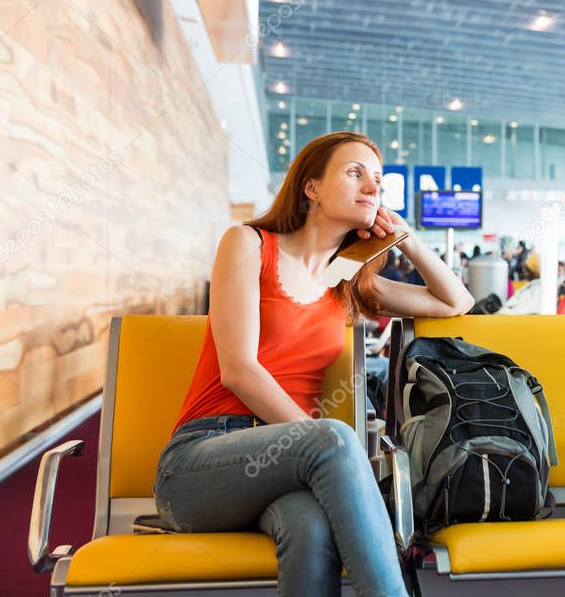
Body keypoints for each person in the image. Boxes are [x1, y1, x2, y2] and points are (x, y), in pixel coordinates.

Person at [154, 132, 473, 597]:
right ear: (312, 188)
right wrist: (322, 444)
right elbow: (239, 370)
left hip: (285, 472)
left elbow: (455, 302)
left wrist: (405, 238)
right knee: (332, 436)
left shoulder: (343, 281)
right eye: (354, 172)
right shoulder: (247, 245)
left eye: (378, 180)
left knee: (310, 528)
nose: (372, 187)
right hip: (200, 462)